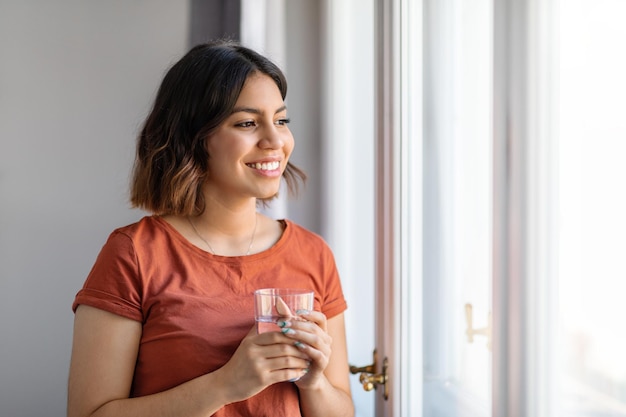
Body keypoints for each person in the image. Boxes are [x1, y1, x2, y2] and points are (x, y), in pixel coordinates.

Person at [67, 40, 354, 417]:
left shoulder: (313, 253)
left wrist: (313, 381)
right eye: (248, 123)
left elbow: (342, 409)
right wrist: (227, 384)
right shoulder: (134, 254)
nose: (275, 141)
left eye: (281, 120)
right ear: (193, 138)